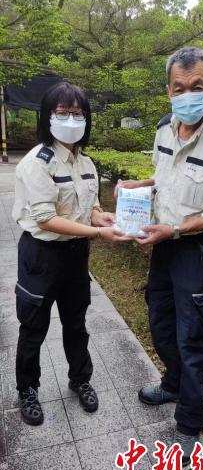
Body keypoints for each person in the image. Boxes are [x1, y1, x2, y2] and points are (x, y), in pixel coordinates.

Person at [115, 47, 203, 464]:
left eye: (196, 87)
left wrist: (175, 228)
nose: (187, 94)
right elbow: (165, 177)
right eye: (179, 88)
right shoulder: (164, 129)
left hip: (197, 248)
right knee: (159, 316)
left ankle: (191, 421)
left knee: (193, 332)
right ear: (168, 91)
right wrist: (138, 184)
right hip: (164, 242)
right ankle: (173, 383)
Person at [12, 82, 129, 426]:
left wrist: (102, 216)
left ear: (86, 118)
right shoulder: (38, 162)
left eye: (77, 113)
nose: (70, 119)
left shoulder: (86, 162)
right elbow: (46, 218)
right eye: (61, 113)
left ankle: (81, 379)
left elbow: (89, 208)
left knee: (75, 323)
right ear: (47, 117)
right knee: (33, 327)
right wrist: (98, 232)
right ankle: (27, 389)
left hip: (76, 256)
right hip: (41, 255)